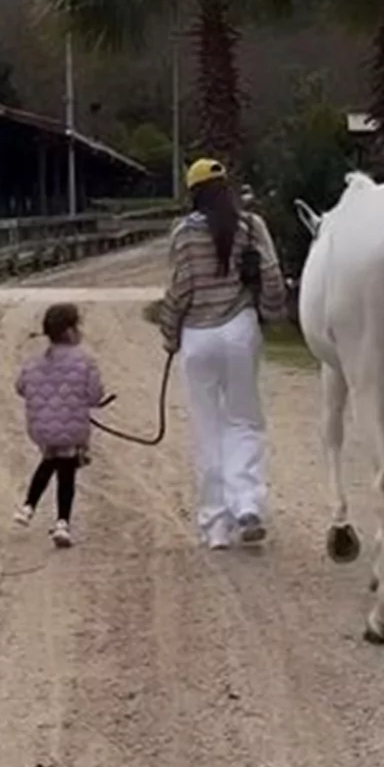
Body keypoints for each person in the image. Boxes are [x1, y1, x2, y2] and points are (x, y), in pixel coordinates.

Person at [158, 157, 288, 549]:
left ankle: (215, 525)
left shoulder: (182, 233)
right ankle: (246, 504)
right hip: (239, 329)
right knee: (244, 421)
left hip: (198, 336)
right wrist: (272, 313)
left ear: (192, 193)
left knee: (207, 427)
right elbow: (270, 275)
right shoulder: (250, 226)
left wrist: (170, 334)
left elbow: (179, 287)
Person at [13, 303, 105, 545]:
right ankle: (62, 522)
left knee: (48, 461)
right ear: (70, 331)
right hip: (73, 428)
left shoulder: (34, 362)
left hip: (42, 428)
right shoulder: (85, 361)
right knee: (66, 472)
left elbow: (20, 388)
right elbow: (95, 396)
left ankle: (28, 506)